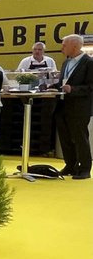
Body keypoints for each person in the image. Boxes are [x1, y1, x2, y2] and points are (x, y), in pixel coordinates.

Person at [53, 34, 93, 179]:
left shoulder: (89, 63)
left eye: (64, 45)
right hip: (63, 105)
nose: (61, 48)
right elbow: (63, 83)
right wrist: (52, 87)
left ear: (75, 46)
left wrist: (73, 89)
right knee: (65, 137)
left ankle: (85, 168)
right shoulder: (66, 63)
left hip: (79, 107)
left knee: (80, 137)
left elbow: (90, 87)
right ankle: (70, 164)